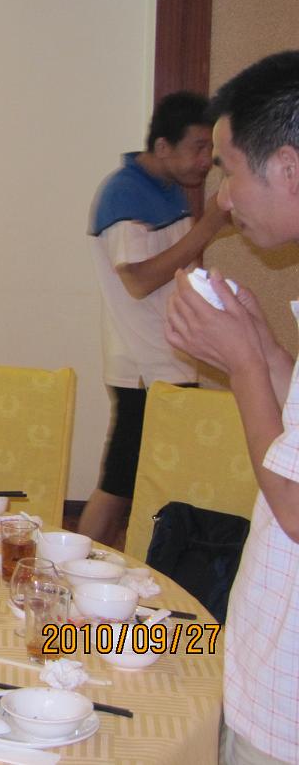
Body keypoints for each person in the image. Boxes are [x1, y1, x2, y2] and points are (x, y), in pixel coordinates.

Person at [165, 51, 299, 765]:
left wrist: (245, 366)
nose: (222, 196)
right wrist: (264, 350)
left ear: (288, 169)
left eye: (229, 169)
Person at [79, 92, 228, 546]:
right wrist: (211, 223)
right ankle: (69, 572)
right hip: (142, 367)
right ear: (163, 146)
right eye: (198, 147)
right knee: (119, 486)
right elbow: (140, 280)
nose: (206, 160)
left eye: (210, 148)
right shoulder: (124, 191)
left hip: (170, 360)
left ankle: (124, 572)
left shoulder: (169, 189)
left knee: (156, 486)